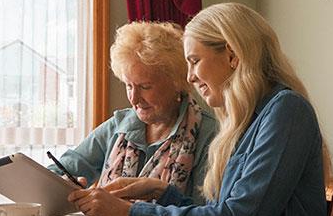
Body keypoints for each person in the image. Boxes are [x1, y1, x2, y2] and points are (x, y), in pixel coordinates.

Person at [68, 3, 332, 216]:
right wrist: (161, 191)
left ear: (232, 55)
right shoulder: (249, 120)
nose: (191, 77)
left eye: (194, 61)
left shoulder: (286, 111)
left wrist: (130, 214)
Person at [49, 21, 216, 203]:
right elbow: (60, 170)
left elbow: (207, 215)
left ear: (177, 82)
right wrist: (62, 183)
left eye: (145, 87)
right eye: (129, 86)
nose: (134, 99)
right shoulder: (120, 125)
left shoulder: (208, 134)